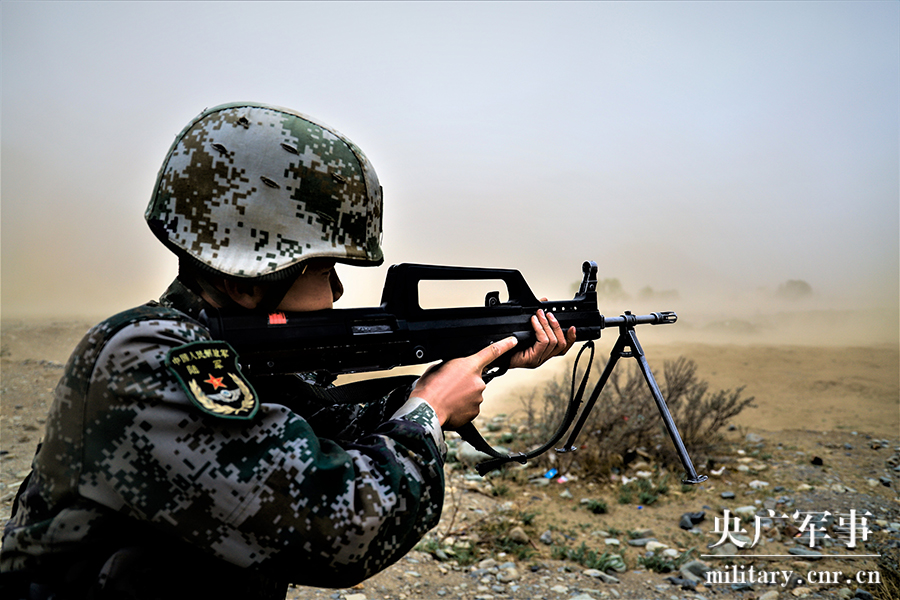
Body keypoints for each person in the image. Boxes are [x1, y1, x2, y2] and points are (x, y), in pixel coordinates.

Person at [0, 102, 575, 599]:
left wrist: (479, 365)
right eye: (323, 269)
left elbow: (331, 425)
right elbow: (345, 527)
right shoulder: (151, 360)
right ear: (251, 277)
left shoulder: (222, 351)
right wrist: (429, 411)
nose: (337, 291)